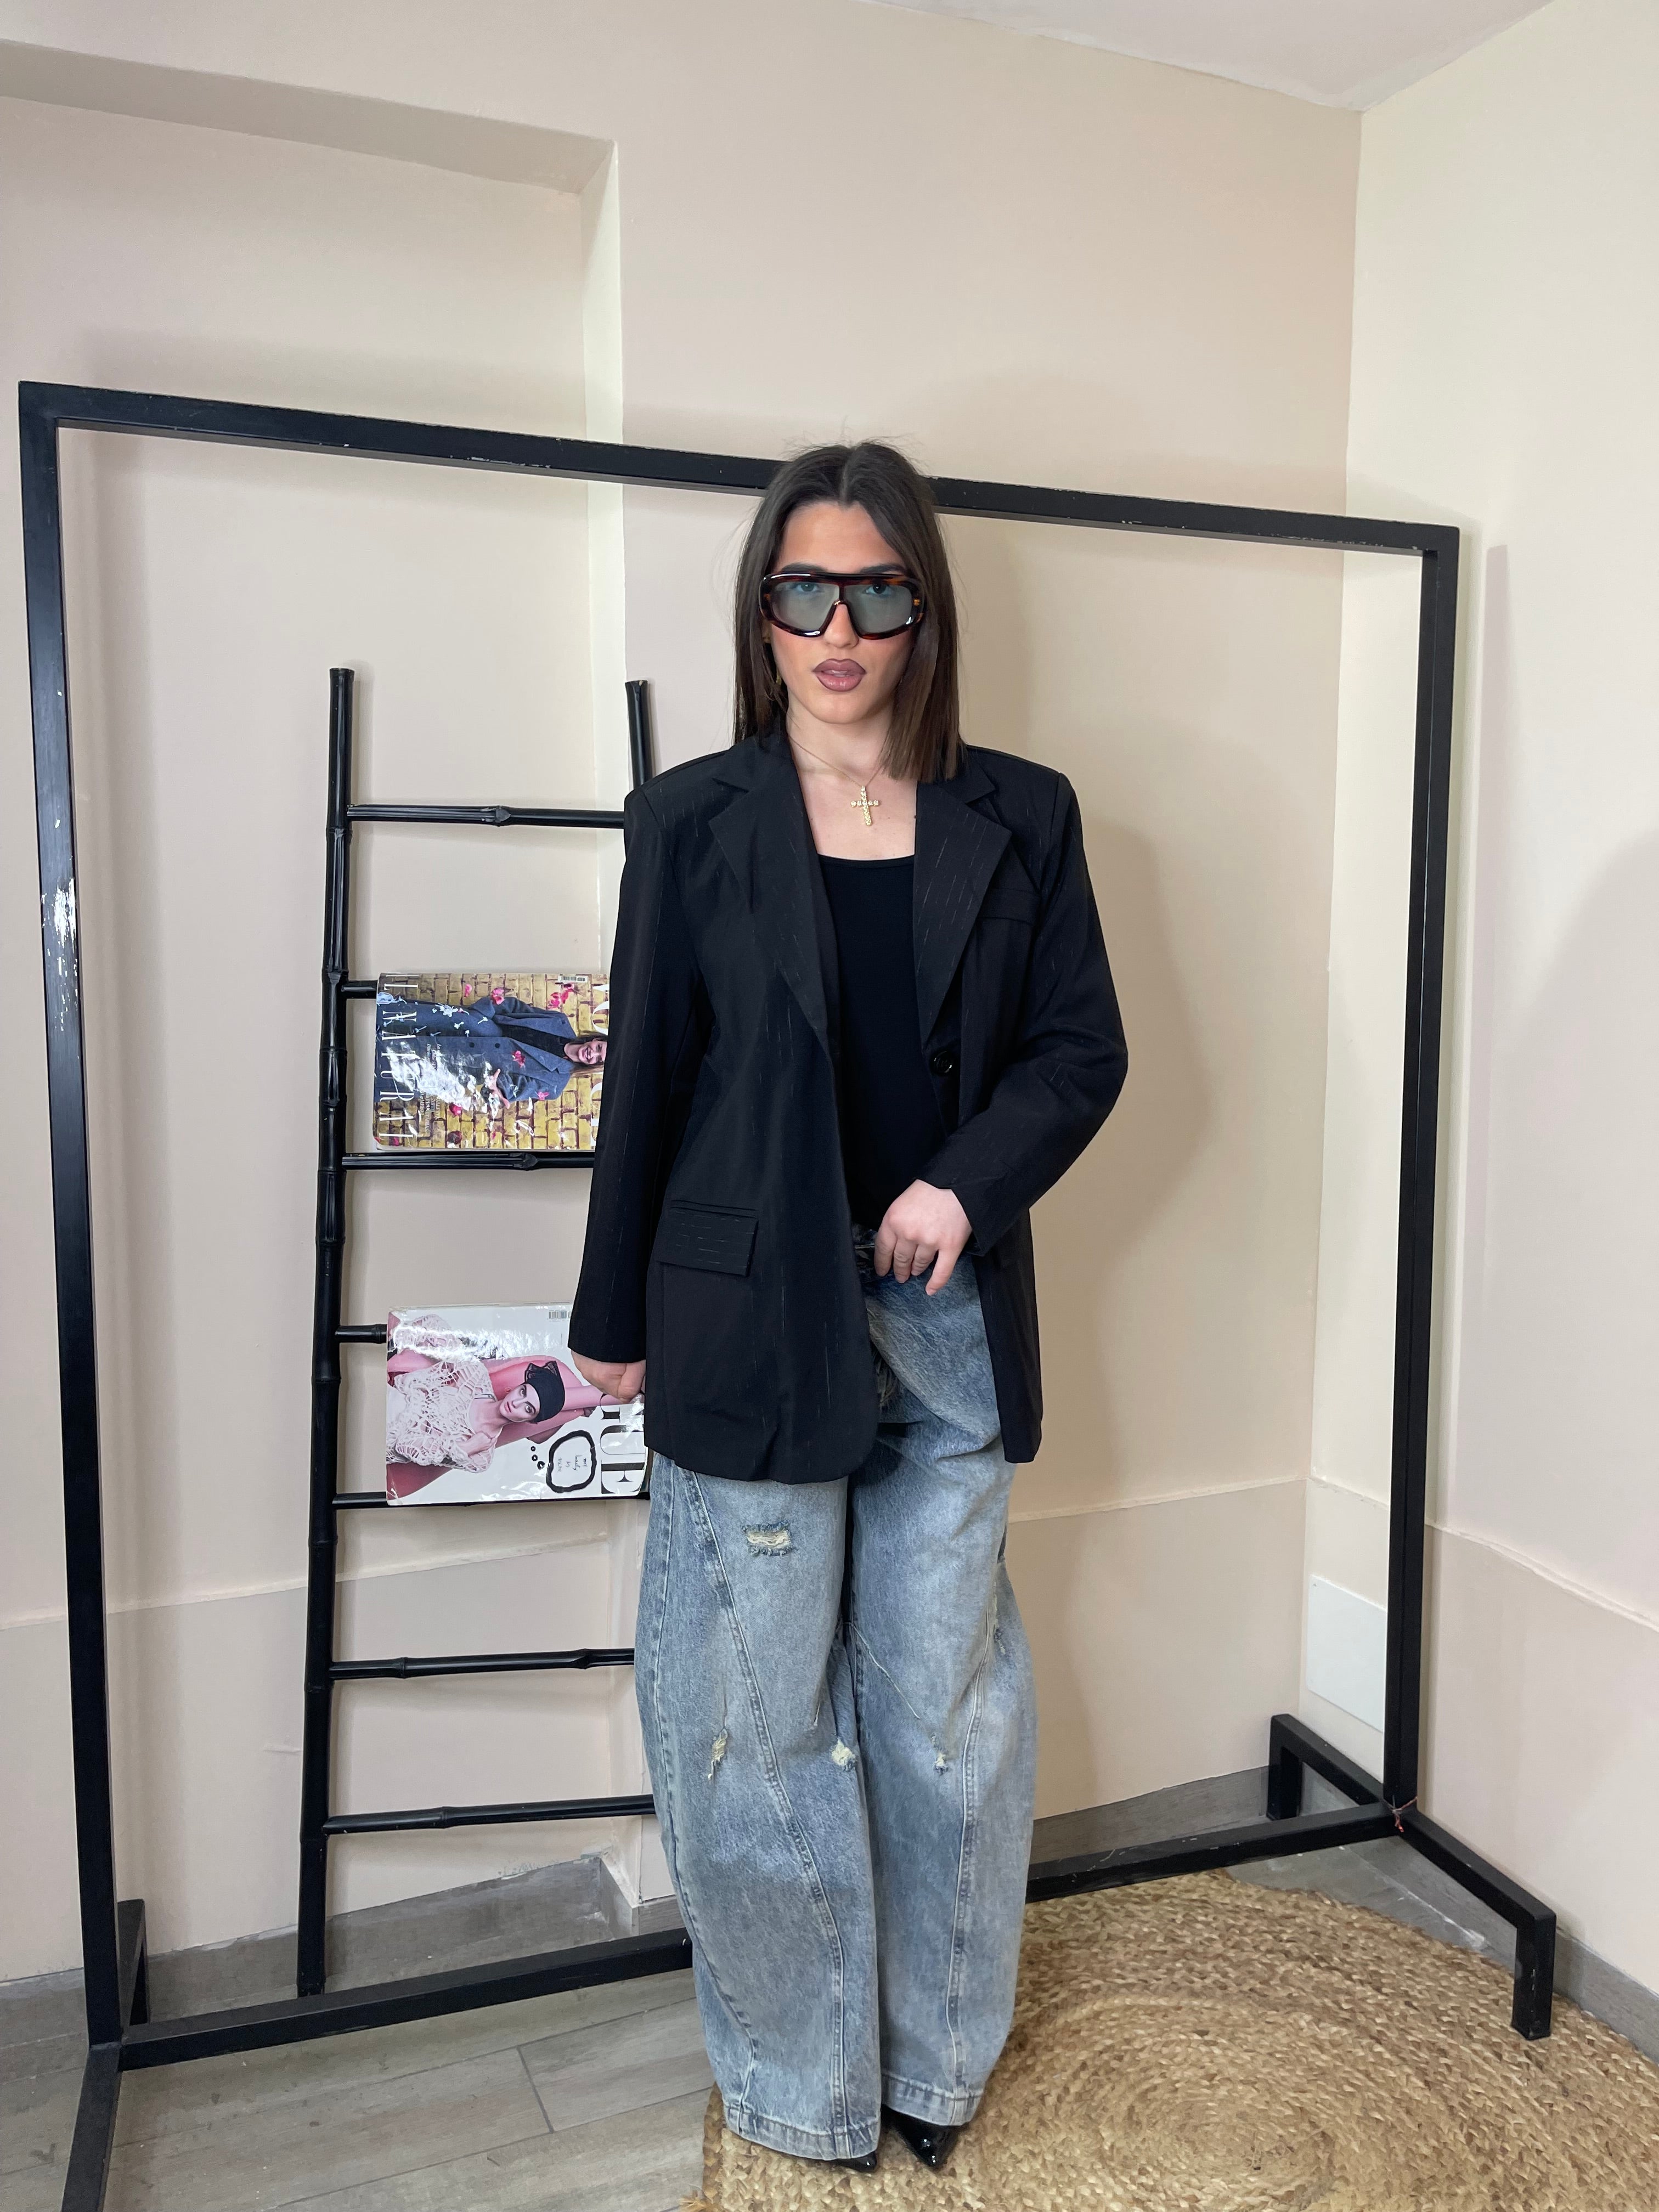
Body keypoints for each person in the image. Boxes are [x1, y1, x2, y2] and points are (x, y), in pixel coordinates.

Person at [568, 442, 1127, 2175]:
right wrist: (608, 1317)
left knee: (940, 1714)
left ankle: (936, 2064)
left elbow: (1079, 1049)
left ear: (922, 609)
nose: (837, 629)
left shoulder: (1023, 814)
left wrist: (961, 1188)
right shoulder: (692, 821)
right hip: (750, 1322)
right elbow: (649, 1082)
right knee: (759, 1723)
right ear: (762, 613)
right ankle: (804, 2087)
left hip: (946, 1325)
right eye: (802, 591)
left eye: (876, 591)